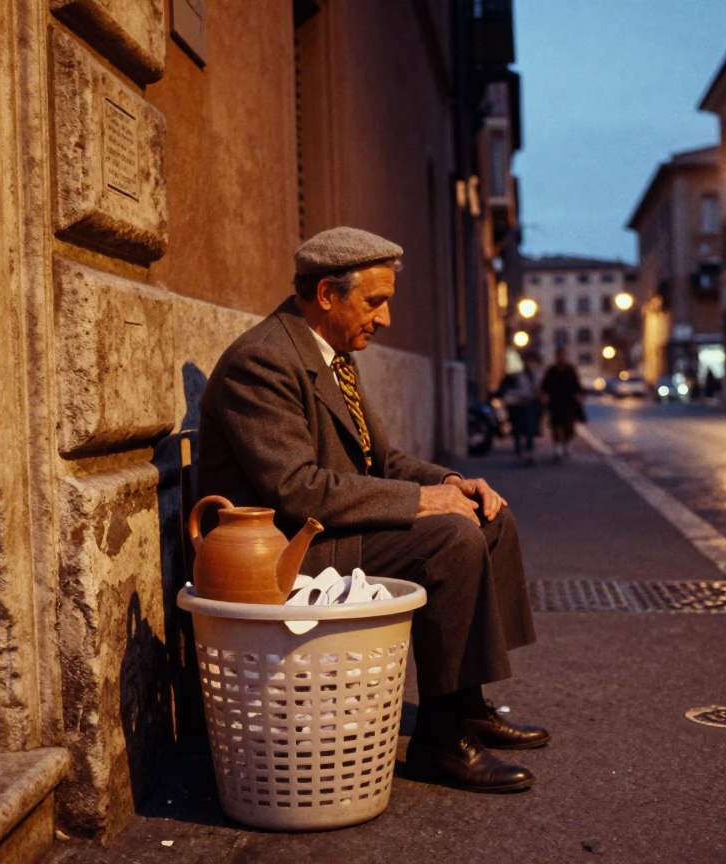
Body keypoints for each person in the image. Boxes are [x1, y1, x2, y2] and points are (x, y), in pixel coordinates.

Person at [197, 227, 548, 793]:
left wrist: (453, 481)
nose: (384, 319)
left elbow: (380, 459)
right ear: (328, 295)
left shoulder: (331, 354)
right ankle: (438, 737)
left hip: (325, 530)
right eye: (375, 302)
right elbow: (297, 490)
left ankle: (466, 702)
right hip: (288, 550)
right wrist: (423, 503)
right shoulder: (261, 362)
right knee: (451, 539)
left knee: (486, 516)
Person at [541, 349, 583, 461]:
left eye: (563, 356)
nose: (561, 358)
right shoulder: (552, 370)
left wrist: (579, 395)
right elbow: (545, 385)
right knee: (556, 425)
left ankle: (567, 444)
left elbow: (576, 384)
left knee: (569, 425)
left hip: (569, 403)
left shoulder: (570, 369)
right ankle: (558, 447)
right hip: (556, 403)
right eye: (559, 356)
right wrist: (545, 396)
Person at [499, 353, 541, 465]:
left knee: (530, 428)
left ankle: (529, 451)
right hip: (519, 404)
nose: (529, 364)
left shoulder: (535, 374)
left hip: (531, 403)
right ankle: (520, 449)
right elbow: (511, 388)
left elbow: (538, 387)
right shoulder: (518, 375)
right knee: (519, 427)